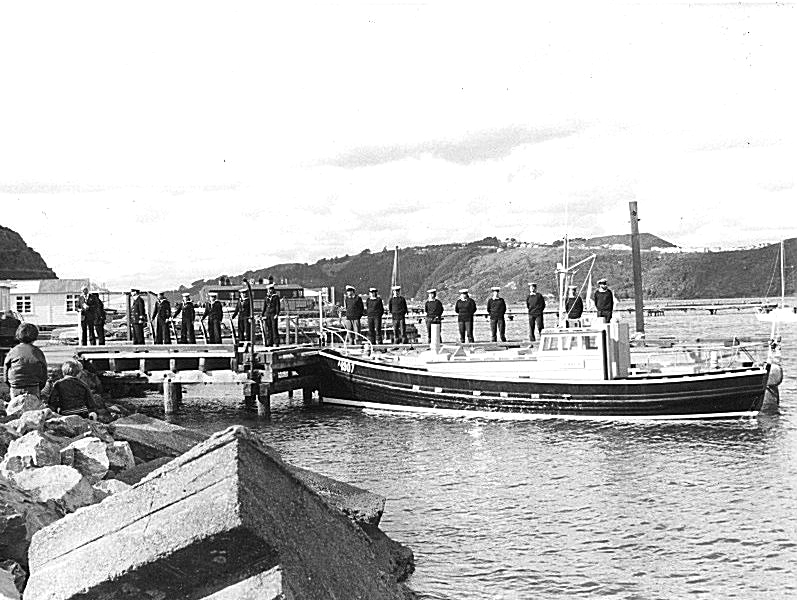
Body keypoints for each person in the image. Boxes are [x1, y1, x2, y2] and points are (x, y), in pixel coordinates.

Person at [3, 323, 47, 400]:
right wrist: (40, 386)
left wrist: (9, 383)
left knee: (15, 408)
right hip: (33, 385)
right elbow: (44, 372)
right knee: (33, 408)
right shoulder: (37, 352)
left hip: (15, 385)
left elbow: (6, 370)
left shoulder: (13, 351)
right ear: (35, 336)